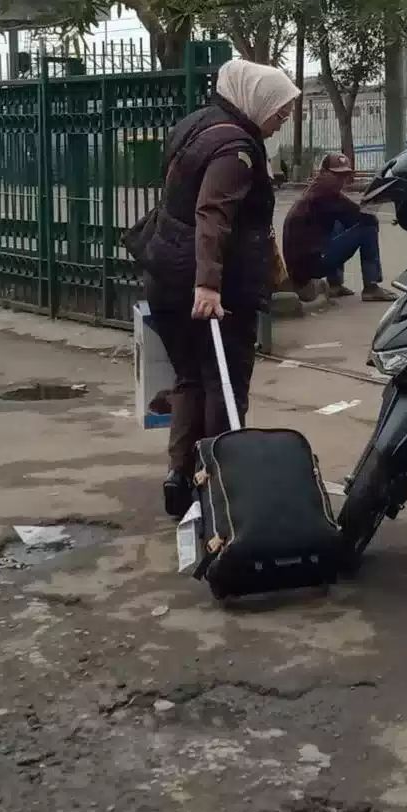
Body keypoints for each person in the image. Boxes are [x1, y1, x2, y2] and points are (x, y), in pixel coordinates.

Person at [137, 60, 299, 516]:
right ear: (257, 100)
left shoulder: (198, 124)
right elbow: (213, 213)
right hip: (208, 288)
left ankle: (180, 476)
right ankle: (221, 486)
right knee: (224, 384)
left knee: (190, 378)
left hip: (166, 272)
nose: (283, 120)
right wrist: (208, 286)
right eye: (280, 111)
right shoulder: (235, 149)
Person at [283, 153, 389, 302]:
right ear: (323, 173)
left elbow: (351, 216)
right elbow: (365, 217)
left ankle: (335, 284)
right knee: (368, 227)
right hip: (310, 267)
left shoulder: (316, 191)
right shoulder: (324, 196)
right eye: (336, 175)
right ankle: (371, 287)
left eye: (345, 175)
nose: (341, 180)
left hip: (304, 264)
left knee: (339, 222)